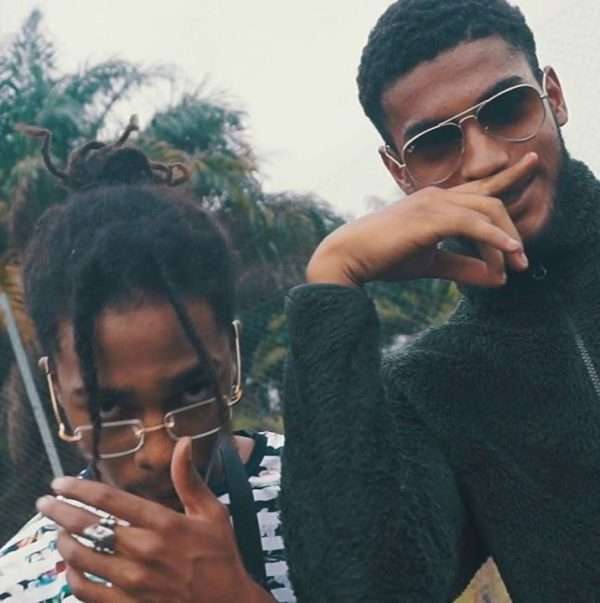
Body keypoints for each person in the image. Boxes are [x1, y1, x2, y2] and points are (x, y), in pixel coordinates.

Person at [281, 0, 600, 601]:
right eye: (435, 144)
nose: (485, 159)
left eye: (507, 109)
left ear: (553, 97)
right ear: (400, 174)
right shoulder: (431, 386)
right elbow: (362, 591)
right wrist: (333, 278)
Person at [0, 122, 295, 602]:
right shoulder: (17, 585)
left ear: (231, 356)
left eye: (192, 391)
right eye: (108, 408)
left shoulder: (334, 498)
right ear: (57, 393)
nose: (159, 453)